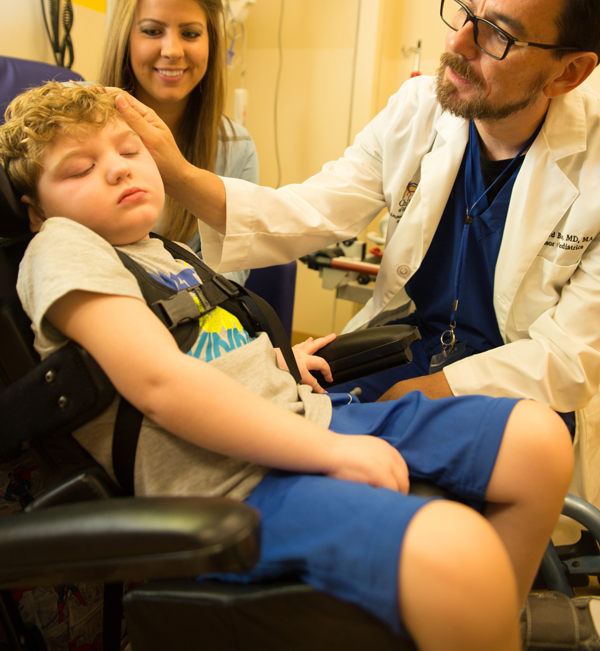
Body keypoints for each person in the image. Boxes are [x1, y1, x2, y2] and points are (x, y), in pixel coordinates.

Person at [0, 83, 574, 651]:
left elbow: (203, 349)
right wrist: (335, 452)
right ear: (33, 211)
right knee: (461, 555)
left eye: (130, 152)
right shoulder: (63, 246)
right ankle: (473, 609)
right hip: (233, 484)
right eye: (80, 169)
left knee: (538, 442)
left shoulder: (166, 251)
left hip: (303, 415)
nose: (120, 170)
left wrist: (271, 362)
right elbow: (159, 383)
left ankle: (480, 620)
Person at [113, 0, 600, 535]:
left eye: (498, 34)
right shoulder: (420, 108)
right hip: (389, 360)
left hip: (509, 390)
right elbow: (313, 209)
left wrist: (428, 391)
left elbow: (569, 358)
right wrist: (180, 176)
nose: (459, 43)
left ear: (568, 73)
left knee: (439, 508)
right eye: (465, 11)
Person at [98, 0, 258, 282]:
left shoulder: (236, 149)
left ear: (212, 43)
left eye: (190, 33)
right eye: (153, 31)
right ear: (125, 39)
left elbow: (229, 281)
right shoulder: (77, 131)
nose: (172, 50)